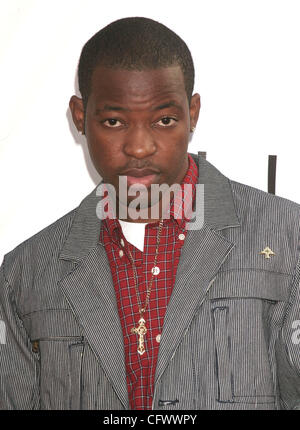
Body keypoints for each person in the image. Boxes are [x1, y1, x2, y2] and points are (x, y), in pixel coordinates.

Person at [0, 16, 300, 411]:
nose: (139, 146)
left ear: (192, 113)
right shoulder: (26, 271)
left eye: (164, 120)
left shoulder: (288, 238)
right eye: (113, 121)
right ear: (79, 116)